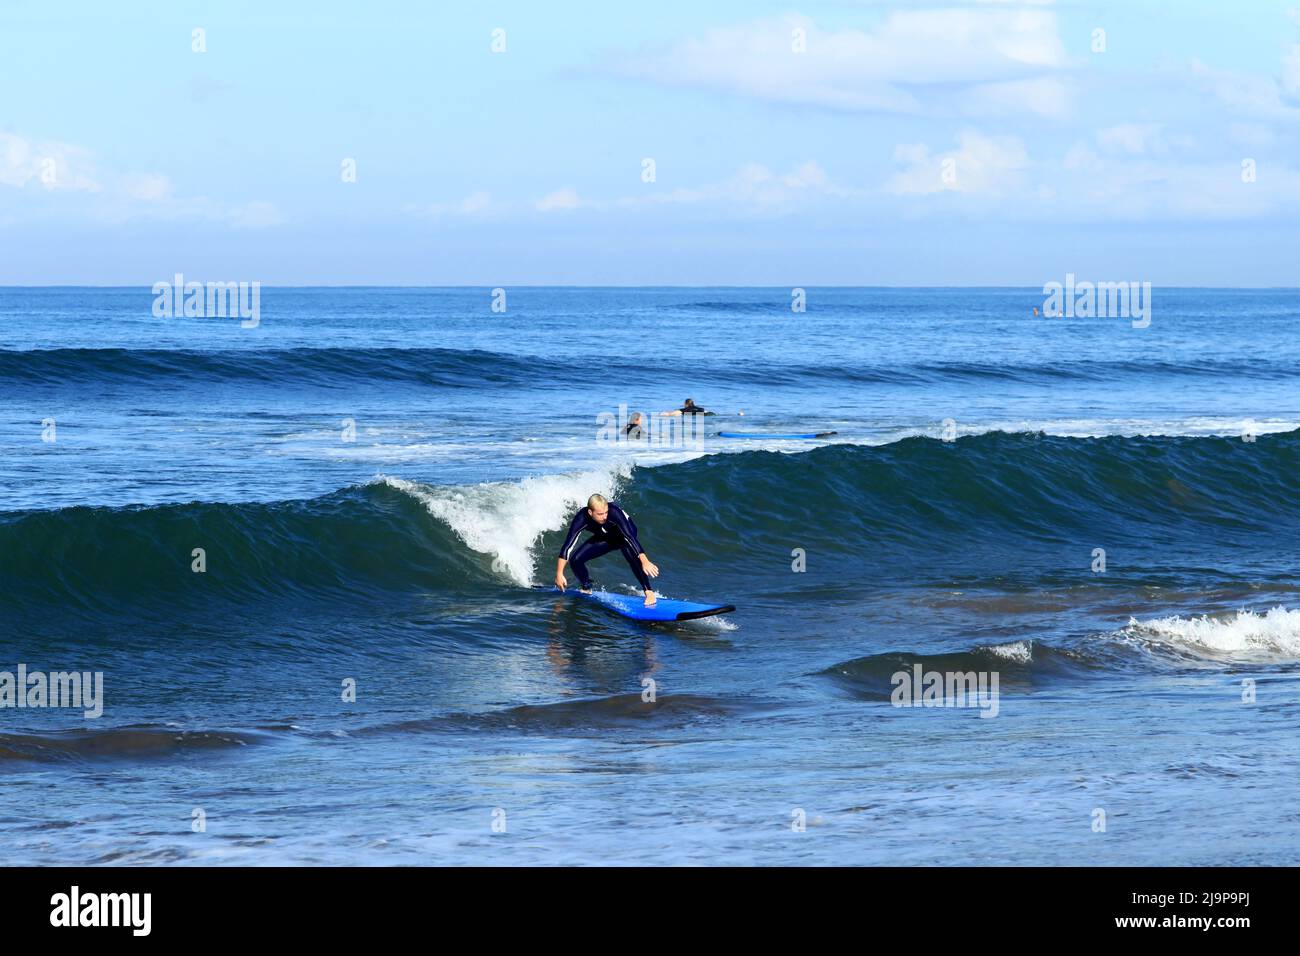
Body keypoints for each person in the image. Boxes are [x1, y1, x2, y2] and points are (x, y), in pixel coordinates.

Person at [555, 494, 660, 605]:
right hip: (605, 537)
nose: (605, 516)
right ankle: (586, 587)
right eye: (600, 514)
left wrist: (644, 561)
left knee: (633, 558)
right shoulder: (581, 519)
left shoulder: (614, 512)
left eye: (606, 512)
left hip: (625, 535)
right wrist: (559, 573)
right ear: (590, 513)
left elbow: (630, 537)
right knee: (576, 559)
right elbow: (568, 546)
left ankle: (649, 593)